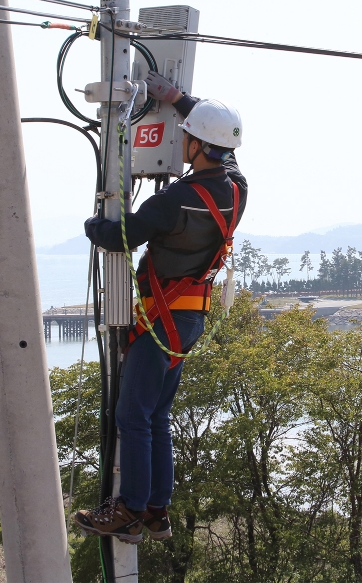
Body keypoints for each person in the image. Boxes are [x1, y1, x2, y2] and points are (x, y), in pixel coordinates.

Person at [74, 71, 248, 543]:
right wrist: (179, 100)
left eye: (187, 137)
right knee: (154, 416)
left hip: (161, 319)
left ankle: (130, 509)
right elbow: (218, 141)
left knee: (134, 416)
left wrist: (93, 219)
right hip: (188, 317)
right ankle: (155, 511)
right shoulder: (237, 189)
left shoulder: (177, 198)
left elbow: (116, 236)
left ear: (193, 145)